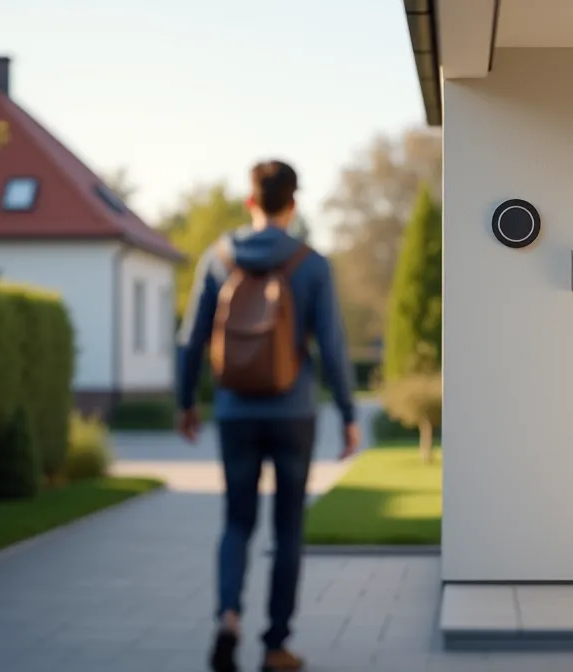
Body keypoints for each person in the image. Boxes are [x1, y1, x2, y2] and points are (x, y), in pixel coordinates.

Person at [176, 160, 358, 672]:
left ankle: (228, 617)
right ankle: (276, 645)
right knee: (289, 529)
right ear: (294, 204)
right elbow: (334, 346)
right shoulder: (312, 264)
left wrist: (186, 402)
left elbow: (190, 338)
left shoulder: (217, 260)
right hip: (294, 412)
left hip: (234, 409)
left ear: (249, 201)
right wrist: (348, 411)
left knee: (236, 521)